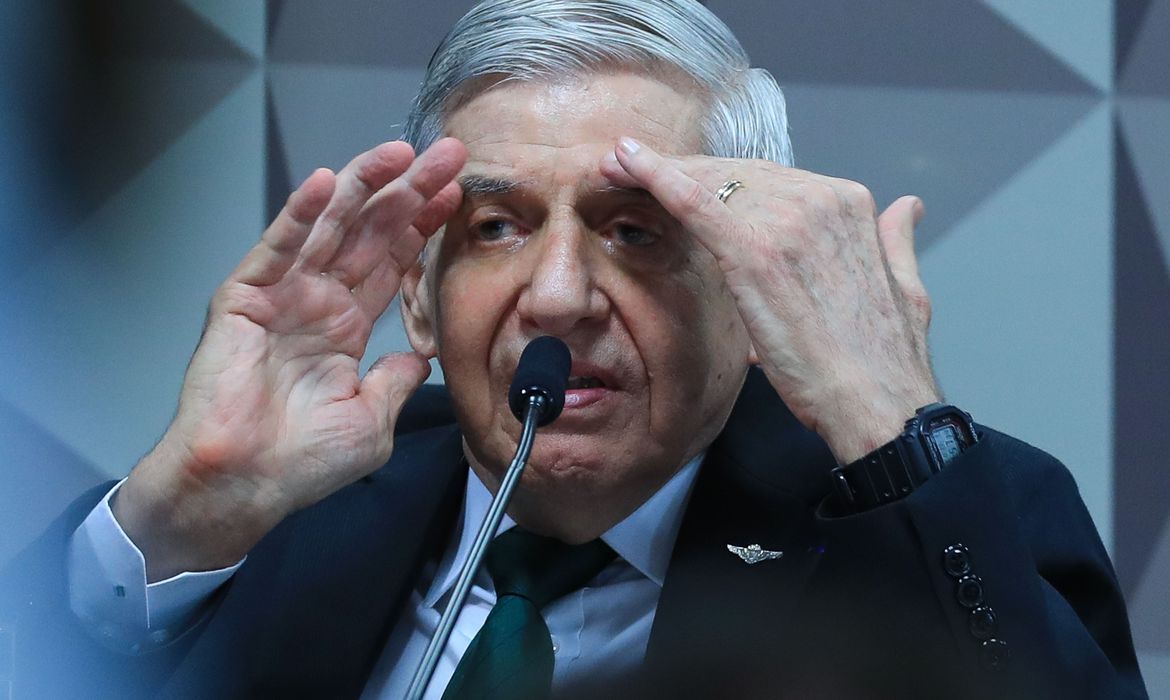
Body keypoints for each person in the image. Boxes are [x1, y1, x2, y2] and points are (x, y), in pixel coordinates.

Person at [0, 0, 1147, 698]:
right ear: (419, 297)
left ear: (753, 288)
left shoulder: (935, 523)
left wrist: (891, 426)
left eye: (634, 230)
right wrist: (182, 514)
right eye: (496, 227)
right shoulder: (297, 509)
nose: (557, 296)